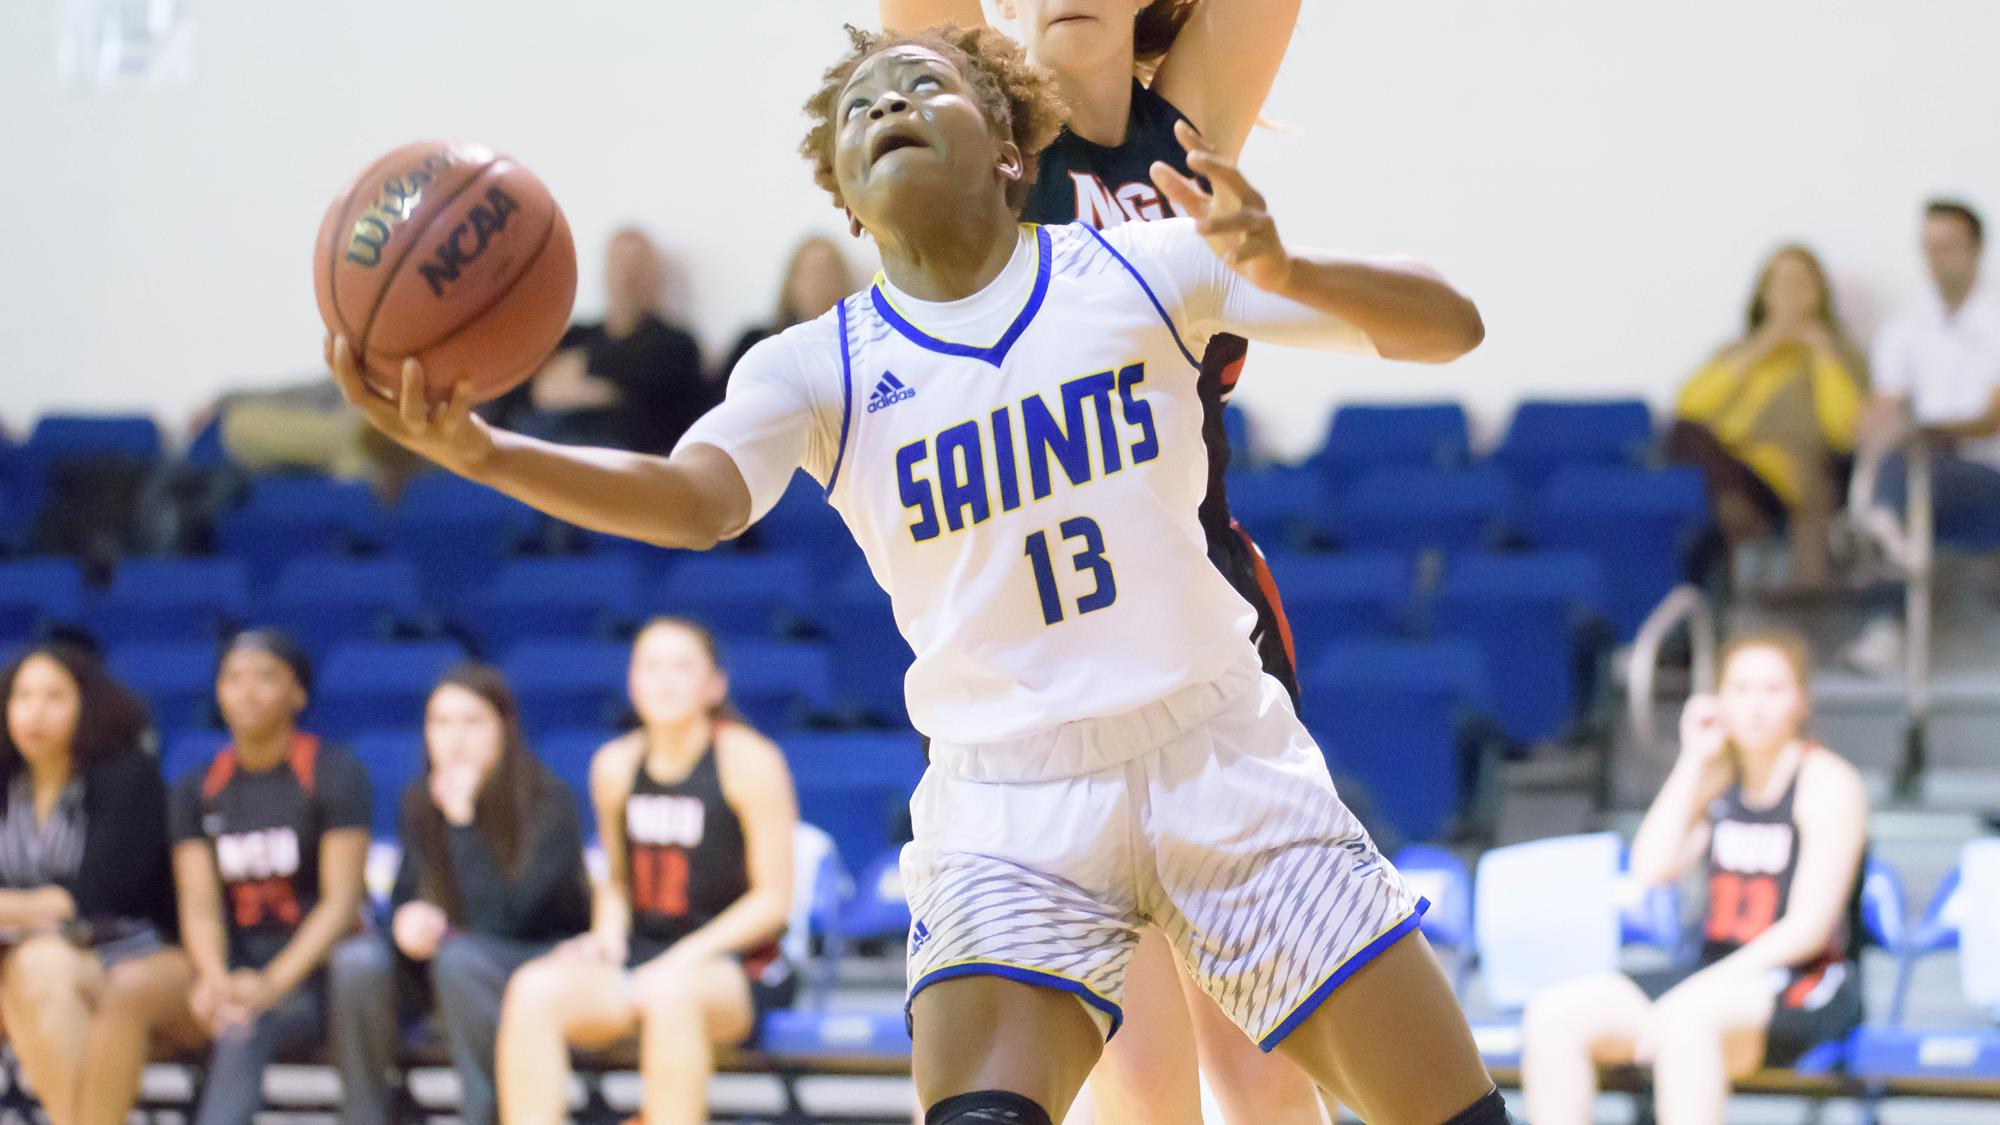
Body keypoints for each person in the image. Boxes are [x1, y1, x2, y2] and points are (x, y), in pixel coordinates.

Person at [327, 23, 1502, 1125]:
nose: (886, 100)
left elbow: (1449, 325)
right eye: (859, 106)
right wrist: (483, 452)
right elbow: (693, 503)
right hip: (1008, 803)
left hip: (1219, 757)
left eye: (921, 84)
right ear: (841, 195)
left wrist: (1286, 265)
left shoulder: (1144, 266)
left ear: (1007, 150)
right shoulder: (813, 367)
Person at [874, 5, 1319, 1116]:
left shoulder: (1188, 133)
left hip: (1201, 642)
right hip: (1049, 687)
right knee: (1140, 1088)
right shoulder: (972, 140)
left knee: (1265, 1070)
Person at [1521, 632, 1868, 1125]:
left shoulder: (1828, 783)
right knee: (1554, 1013)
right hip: (1713, 974)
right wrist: (1694, 758)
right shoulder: (1719, 780)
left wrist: (1699, 991)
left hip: (1805, 983)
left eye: (1773, 689)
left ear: (1801, 700)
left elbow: (1809, 927)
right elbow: (1651, 867)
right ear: (1719, 700)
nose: (1755, 706)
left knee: (1686, 1024)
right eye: (1741, 689)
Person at [494, 619, 796, 1125]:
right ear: (632, 682)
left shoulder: (750, 760)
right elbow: (616, 880)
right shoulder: (614, 765)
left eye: (682, 667)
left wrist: (683, 958)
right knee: (533, 988)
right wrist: (607, 937)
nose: (664, 680)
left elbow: (774, 900)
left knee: (670, 992)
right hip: (644, 960)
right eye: (651, 667)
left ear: (714, 684)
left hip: (736, 969)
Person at [75, 630, 371, 1125]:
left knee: (246, 1021)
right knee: (139, 992)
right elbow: (199, 903)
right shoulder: (198, 786)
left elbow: (342, 903)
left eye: (264, 677)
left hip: (311, 974)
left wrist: (271, 984)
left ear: (297, 693)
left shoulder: (334, 772)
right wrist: (214, 976)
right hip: (232, 969)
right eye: (233, 678)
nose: (247, 690)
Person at [329, 665, 590, 1125]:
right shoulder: (418, 800)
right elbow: (406, 894)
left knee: (460, 958)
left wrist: (463, 821)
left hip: (535, 960)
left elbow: (507, 918)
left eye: (472, 722)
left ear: (504, 729)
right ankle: (363, 1116)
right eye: (441, 723)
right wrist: (408, 919)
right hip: (456, 961)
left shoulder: (550, 802)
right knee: (358, 964)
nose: (455, 739)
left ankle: (487, 1114)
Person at [0, 642, 175, 1125]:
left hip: (119, 954)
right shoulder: (6, 780)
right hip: (20, 953)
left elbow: (91, 899)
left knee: (39, 969)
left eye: (54, 697)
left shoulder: (127, 779)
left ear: (87, 705)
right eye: (22, 696)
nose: (35, 712)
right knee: (29, 968)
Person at [1848, 199, 2000, 674]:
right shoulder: (1905, 328)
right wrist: (1867, 473)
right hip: (1919, 470)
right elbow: (1886, 409)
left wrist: (1924, 430)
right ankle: (1880, 526)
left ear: (1976, 250)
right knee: (1899, 477)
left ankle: (1885, 530)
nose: (1938, 258)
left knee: (1912, 482)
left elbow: (1990, 419)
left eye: (1949, 246)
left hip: (1986, 473)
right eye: (1930, 247)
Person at [1669, 244, 1865, 588]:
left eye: (1800, 284)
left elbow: (1846, 430)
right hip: (1722, 471)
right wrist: (1757, 351)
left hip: (1779, 483)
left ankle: (1735, 520)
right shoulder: (1737, 352)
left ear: (1819, 294)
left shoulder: (1838, 356)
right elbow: (1689, 407)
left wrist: (1823, 355)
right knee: (1685, 434)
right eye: (1780, 284)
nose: (1789, 294)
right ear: (1764, 294)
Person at [487, 227, 714, 455]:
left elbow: (654, 400)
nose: (628, 275)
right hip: (550, 454)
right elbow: (535, 392)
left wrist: (574, 378)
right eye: (620, 264)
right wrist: (608, 389)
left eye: (638, 265)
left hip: (624, 461)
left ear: (655, 275)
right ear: (605, 271)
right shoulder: (575, 335)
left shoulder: (675, 344)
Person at [720, 235, 861, 383]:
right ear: (792, 280)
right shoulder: (755, 341)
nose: (819, 281)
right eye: (811, 271)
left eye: (829, 272)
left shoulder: (860, 348)